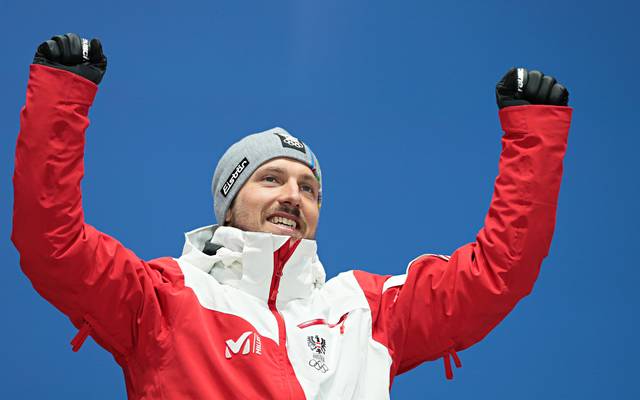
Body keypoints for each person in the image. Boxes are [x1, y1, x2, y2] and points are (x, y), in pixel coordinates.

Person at [12, 33, 572, 399]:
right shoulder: (163, 301)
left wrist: (534, 134)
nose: (293, 196)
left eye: (309, 188)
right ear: (229, 202)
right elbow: (53, 244)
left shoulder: (368, 312)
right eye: (271, 179)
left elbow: (500, 271)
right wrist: (62, 96)